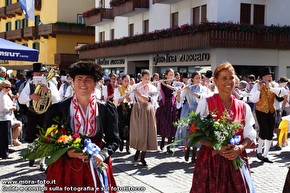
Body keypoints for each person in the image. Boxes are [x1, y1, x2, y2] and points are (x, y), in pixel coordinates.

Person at [43, 61, 120, 193]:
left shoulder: (105, 109)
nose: (83, 83)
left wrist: (102, 154)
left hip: (95, 164)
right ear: (72, 82)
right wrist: (66, 153)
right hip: (65, 167)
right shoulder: (59, 108)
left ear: (95, 83)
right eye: (79, 79)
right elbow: (48, 139)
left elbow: (114, 140)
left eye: (88, 80)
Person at [190, 62, 256, 192]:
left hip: (236, 159)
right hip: (211, 162)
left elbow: (250, 134)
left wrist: (240, 147)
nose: (229, 82)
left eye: (231, 78)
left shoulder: (243, 107)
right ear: (215, 80)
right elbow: (195, 132)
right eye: (224, 78)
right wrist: (217, 146)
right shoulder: (206, 103)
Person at [18, 63, 60, 171]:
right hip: (33, 113)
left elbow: (57, 100)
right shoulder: (30, 84)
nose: (39, 75)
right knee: (31, 136)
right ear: (34, 74)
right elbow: (21, 100)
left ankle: (42, 162)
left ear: (45, 74)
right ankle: (32, 153)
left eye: (41, 73)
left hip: (46, 114)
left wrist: (48, 92)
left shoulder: (51, 84)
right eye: (37, 73)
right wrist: (30, 96)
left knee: (45, 138)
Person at [249, 67, 283, 163]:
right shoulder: (257, 85)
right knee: (264, 131)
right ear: (263, 77)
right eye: (268, 75)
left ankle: (265, 155)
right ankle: (259, 151)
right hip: (261, 111)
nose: (270, 76)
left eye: (271, 75)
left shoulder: (274, 84)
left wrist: (270, 88)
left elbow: (281, 94)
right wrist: (259, 90)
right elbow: (253, 99)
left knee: (270, 133)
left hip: (271, 111)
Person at [130, 70, 159, 166]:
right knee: (138, 133)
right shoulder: (136, 86)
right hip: (137, 110)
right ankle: (137, 151)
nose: (147, 80)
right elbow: (130, 99)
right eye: (145, 78)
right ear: (141, 77)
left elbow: (148, 100)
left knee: (146, 133)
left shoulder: (153, 88)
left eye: (148, 78)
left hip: (147, 110)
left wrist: (138, 94)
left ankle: (143, 157)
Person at [156, 68, 179, 153]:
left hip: (172, 106)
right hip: (164, 106)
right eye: (170, 74)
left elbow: (175, 90)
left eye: (172, 74)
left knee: (171, 126)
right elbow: (157, 94)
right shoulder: (161, 84)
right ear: (166, 75)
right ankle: (162, 139)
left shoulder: (175, 84)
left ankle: (169, 146)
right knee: (164, 124)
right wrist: (161, 83)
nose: (171, 76)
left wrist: (165, 84)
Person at [0, 80, 23, 146]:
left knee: (18, 124)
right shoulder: (2, 95)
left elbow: (11, 103)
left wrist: (13, 104)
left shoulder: (5, 95)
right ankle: (14, 140)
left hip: (9, 117)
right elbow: (3, 108)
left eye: (10, 87)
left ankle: (13, 140)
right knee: (19, 124)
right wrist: (12, 107)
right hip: (4, 118)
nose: (8, 89)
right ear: (2, 87)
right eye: (6, 87)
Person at [114, 74, 132, 154]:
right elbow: (117, 101)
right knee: (121, 126)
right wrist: (124, 96)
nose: (127, 82)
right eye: (125, 81)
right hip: (121, 109)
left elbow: (132, 100)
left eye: (128, 81)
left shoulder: (131, 89)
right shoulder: (118, 89)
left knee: (129, 127)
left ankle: (128, 147)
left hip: (129, 109)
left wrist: (129, 99)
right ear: (122, 81)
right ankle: (121, 142)